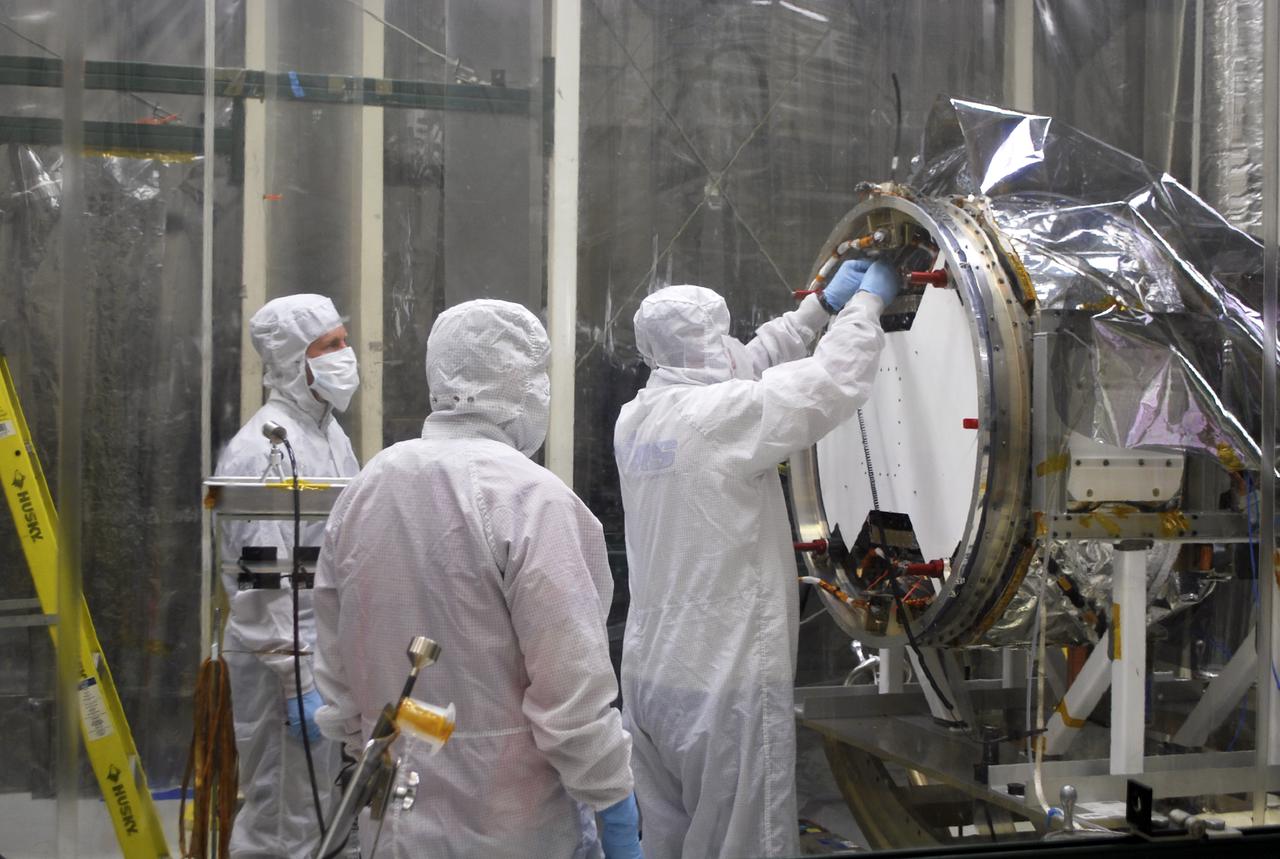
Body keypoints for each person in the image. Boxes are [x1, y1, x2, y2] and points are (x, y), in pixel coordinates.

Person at [313, 299, 642, 858]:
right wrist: (613, 800)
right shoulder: (532, 499)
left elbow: (335, 654)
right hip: (507, 827)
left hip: (391, 822)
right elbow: (572, 694)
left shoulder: (369, 486)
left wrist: (360, 737)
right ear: (521, 384)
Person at [614, 260, 900, 858]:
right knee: (744, 845)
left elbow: (741, 367)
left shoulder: (638, 418)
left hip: (652, 677)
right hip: (725, 681)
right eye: (719, 337)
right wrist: (865, 307)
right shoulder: (720, 418)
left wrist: (813, 312)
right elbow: (828, 383)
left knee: (668, 839)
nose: (729, 347)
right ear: (706, 346)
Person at [215, 293, 361, 858]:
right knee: (283, 820)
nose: (343, 355)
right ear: (293, 361)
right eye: (329, 346)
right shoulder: (264, 449)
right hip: (282, 664)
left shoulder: (328, 434)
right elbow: (259, 581)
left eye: (344, 341)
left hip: (319, 653)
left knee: (323, 813)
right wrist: (295, 679)